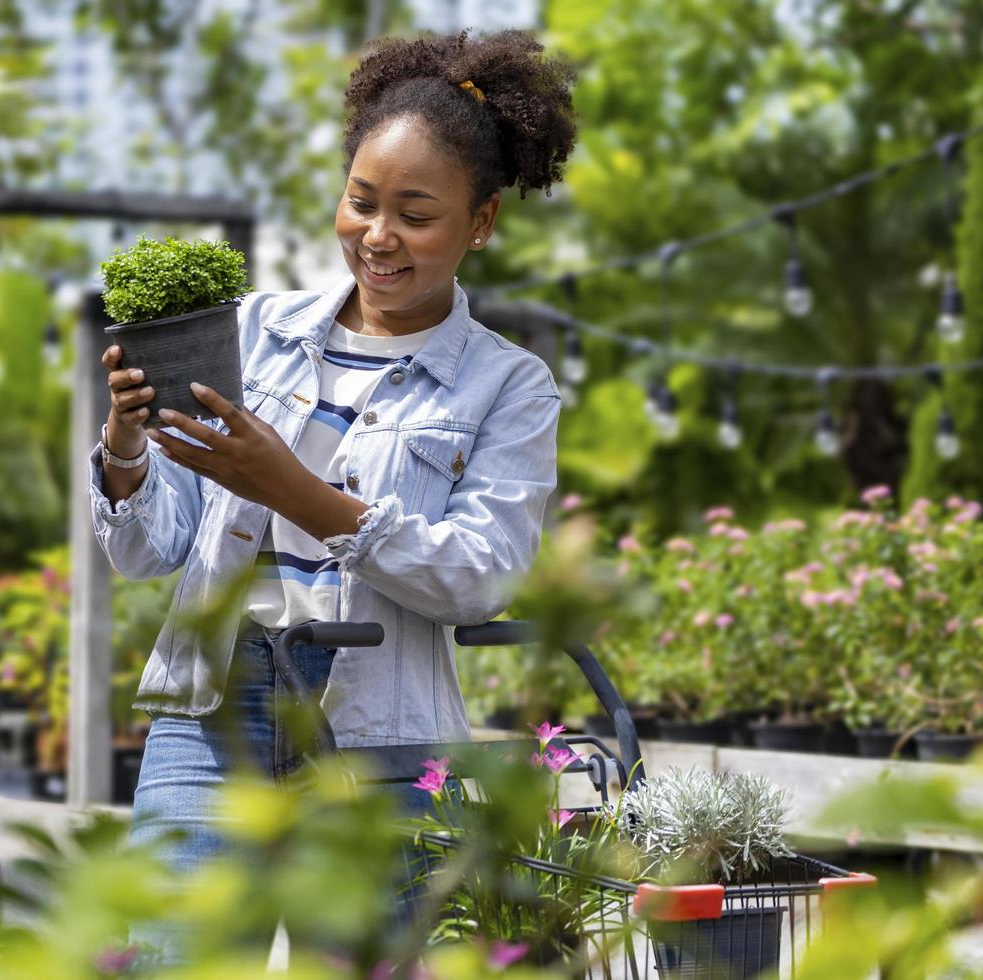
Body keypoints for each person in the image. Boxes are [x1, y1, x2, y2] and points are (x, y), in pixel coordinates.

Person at [88, 28, 576, 961]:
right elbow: (150, 549)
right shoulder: (259, 331)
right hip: (212, 710)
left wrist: (302, 495)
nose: (377, 236)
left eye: (415, 214)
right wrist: (125, 451)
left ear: (482, 222)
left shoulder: (508, 387)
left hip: (379, 739)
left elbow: (481, 577)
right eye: (360, 203)